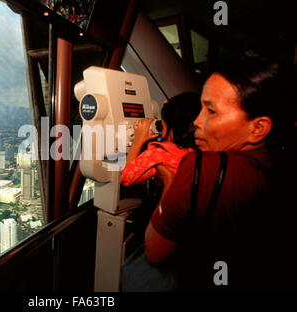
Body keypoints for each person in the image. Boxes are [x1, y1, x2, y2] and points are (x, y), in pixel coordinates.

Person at [143, 57, 296, 291]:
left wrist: (169, 181)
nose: (196, 121)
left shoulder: (203, 167)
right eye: (201, 108)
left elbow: (154, 253)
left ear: (257, 128)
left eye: (211, 111)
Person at [120, 92, 201, 189]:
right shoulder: (199, 153)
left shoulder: (160, 153)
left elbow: (126, 178)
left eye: (162, 125)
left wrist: (138, 139)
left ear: (172, 126)